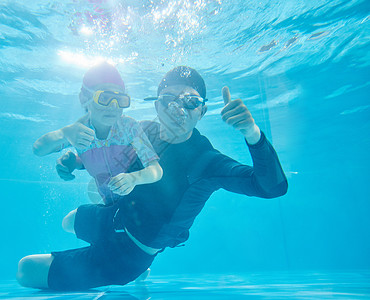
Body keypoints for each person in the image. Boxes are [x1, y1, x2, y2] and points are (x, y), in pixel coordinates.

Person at [17, 66, 288, 290]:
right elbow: (106, 156)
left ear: (202, 112)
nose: (177, 109)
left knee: (25, 270)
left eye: (191, 101)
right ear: (157, 105)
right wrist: (73, 163)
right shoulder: (144, 131)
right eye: (169, 99)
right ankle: (105, 242)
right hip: (115, 216)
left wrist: (252, 133)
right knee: (69, 220)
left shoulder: (207, 162)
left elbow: (272, 187)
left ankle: (138, 270)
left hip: (125, 257)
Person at [32, 62, 163, 206]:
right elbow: (38, 149)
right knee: (68, 222)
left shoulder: (129, 127)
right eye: (105, 98)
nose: (114, 106)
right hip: (109, 203)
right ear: (84, 99)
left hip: (141, 200)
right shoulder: (77, 131)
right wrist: (64, 135)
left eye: (120, 100)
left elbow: (156, 170)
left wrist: (134, 178)